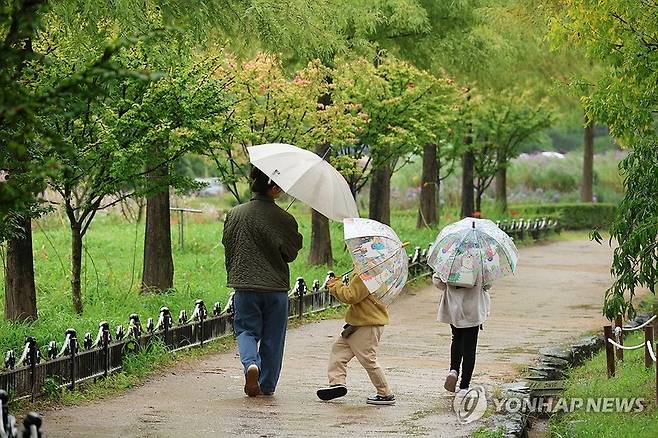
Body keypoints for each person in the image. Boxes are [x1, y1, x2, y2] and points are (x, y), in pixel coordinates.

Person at [222, 166, 303, 397]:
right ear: (274, 188)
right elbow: (290, 253)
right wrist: (293, 236)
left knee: (246, 331)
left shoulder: (235, 214)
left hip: (245, 285)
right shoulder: (285, 218)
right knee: (273, 339)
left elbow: (228, 244)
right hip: (275, 288)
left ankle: (251, 364)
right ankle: (266, 386)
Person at [316, 271, 396, 405]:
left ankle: (385, 393)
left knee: (368, 359)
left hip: (367, 325)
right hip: (357, 324)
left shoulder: (366, 275)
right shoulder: (377, 272)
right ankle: (337, 383)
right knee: (339, 351)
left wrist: (335, 285)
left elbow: (351, 296)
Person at [432, 272, 491, 395]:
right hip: (474, 308)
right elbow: (488, 284)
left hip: (454, 308)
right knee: (470, 346)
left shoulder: (451, 259)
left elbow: (438, 280)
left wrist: (450, 286)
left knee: (456, 338)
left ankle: (453, 370)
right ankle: (464, 385)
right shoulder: (480, 260)